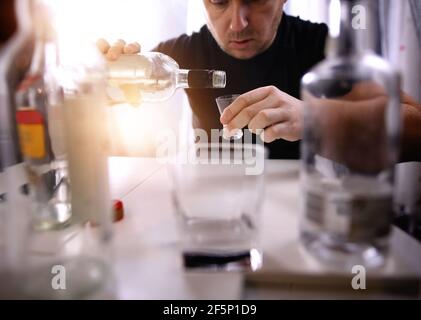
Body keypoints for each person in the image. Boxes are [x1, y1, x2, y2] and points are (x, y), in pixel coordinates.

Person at [99, 0, 421, 162]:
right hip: (210, 212)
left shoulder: (320, 48)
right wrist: (101, 77)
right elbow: (105, 98)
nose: (237, 23)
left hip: (293, 215)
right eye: (219, 1)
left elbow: (416, 127)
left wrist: (313, 119)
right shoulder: (178, 55)